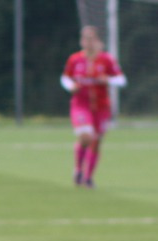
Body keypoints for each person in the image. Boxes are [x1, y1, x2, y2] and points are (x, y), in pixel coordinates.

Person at [61, 26, 127, 188]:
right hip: (81, 104)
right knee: (86, 137)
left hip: (101, 107)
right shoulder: (75, 59)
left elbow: (122, 80)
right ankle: (78, 169)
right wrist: (71, 86)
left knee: (96, 142)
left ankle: (88, 178)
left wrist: (108, 80)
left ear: (97, 41)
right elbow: (65, 78)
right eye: (85, 38)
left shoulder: (106, 59)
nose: (88, 42)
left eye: (91, 38)